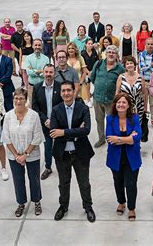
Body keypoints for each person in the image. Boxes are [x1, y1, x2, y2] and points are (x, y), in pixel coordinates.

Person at [50, 81, 96, 223]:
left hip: (80, 153)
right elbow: (53, 132)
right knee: (63, 183)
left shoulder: (83, 109)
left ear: (74, 91)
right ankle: (63, 207)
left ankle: (88, 207)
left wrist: (63, 132)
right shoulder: (56, 110)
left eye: (69, 90)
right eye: (63, 91)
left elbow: (86, 130)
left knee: (84, 183)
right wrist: (76, 132)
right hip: (62, 154)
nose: (66, 93)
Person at [2, 87, 45, 217]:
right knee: (18, 180)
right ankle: (21, 203)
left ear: (26, 100)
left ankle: (36, 201)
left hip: (31, 154)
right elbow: (6, 138)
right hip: (13, 155)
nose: (18, 101)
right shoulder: (8, 116)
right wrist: (16, 156)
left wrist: (25, 155)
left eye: (21, 98)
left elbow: (37, 137)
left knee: (34, 179)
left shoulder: (34, 116)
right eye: (16, 98)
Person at [106, 93, 142, 220]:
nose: (121, 105)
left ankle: (131, 208)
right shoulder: (110, 118)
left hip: (132, 157)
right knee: (118, 182)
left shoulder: (135, 118)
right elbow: (109, 138)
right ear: (115, 105)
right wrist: (128, 138)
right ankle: (121, 202)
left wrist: (119, 139)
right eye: (118, 102)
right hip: (115, 157)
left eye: (124, 102)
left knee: (131, 183)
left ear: (128, 105)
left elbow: (138, 137)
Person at [32, 64, 63, 180]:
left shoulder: (60, 87)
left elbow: (63, 105)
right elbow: (35, 107)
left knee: (60, 147)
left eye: (51, 72)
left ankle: (61, 167)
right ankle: (48, 167)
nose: (49, 75)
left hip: (59, 123)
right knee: (48, 146)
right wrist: (45, 120)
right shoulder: (37, 88)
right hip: (45, 124)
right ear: (43, 73)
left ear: (54, 73)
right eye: (46, 72)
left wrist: (54, 121)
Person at [91, 45, 125, 148]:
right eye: (109, 52)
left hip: (112, 100)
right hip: (98, 97)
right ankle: (101, 138)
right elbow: (93, 78)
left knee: (112, 120)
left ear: (116, 55)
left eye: (113, 52)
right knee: (99, 119)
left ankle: (111, 138)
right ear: (105, 53)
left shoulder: (120, 68)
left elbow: (123, 83)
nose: (111, 54)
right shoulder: (98, 64)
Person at [116, 56, 147, 126]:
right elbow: (117, 92)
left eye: (131, 63)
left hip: (138, 107)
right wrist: (116, 106)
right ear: (125, 66)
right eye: (127, 64)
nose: (129, 65)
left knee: (136, 128)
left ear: (134, 65)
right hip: (124, 107)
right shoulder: (121, 77)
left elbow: (144, 93)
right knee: (125, 126)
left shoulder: (140, 77)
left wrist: (145, 108)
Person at [24, 38, 50, 106]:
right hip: (31, 87)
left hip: (43, 87)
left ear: (42, 46)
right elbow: (29, 72)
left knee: (43, 105)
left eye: (39, 45)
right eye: (35, 45)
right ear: (32, 46)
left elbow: (47, 73)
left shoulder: (46, 59)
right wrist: (40, 71)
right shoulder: (28, 58)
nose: (37, 47)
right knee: (32, 105)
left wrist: (34, 70)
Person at [138, 38, 153, 118]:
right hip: (144, 81)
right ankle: (143, 121)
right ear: (145, 45)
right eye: (148, 44)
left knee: (152, 104)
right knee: (143, 103)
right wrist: (152, 64)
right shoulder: (141, 54)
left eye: (151, 44)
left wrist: (148, 67)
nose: (150, 46)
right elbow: (142, 68)